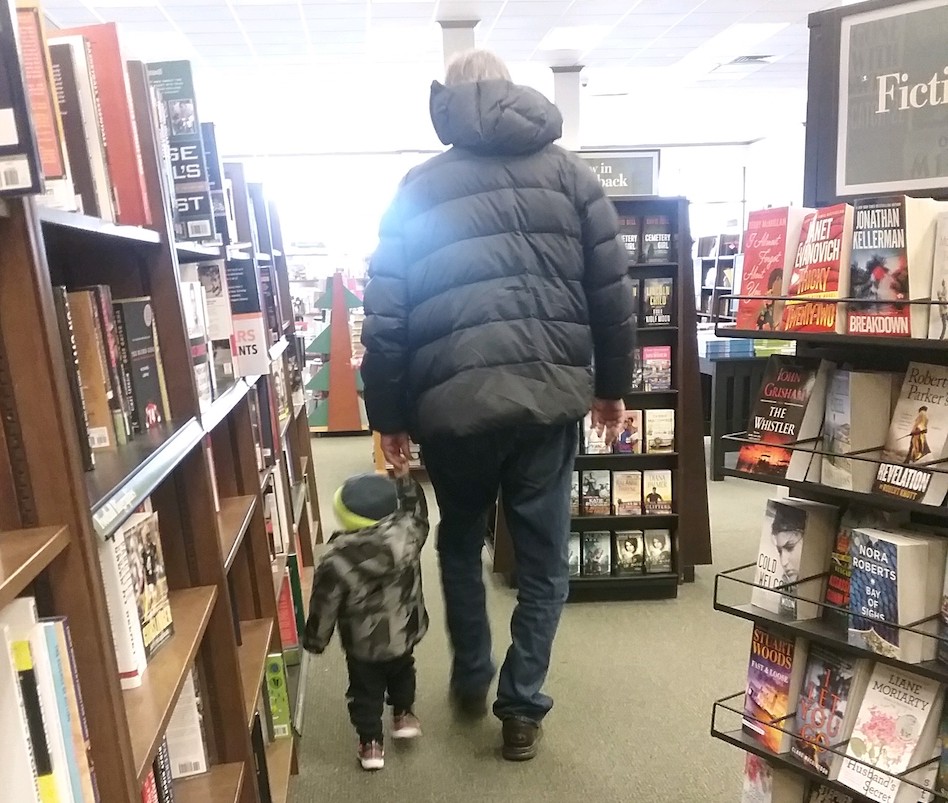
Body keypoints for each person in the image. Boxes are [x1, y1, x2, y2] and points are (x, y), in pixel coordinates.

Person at [361, 49, 635, 761]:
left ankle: (473, 668)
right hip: (548, 406)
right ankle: (521, 706)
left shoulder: (417, 188)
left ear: (447, 102)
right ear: (510, 91)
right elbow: (611, 293)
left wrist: (387, 414)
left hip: (453, 409)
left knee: (459, 535)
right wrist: (611, 387)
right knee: (544, 563)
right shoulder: (571, 177)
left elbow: (386, 316)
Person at [302, 471, 429, 771]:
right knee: (403, 671)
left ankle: (371, 744)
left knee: (364, 691)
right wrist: (406, 482)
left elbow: (325, 604)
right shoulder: (410, 534)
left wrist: (315, 640)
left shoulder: (337, 560)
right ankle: (403, 714)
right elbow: (418, 513)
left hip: (363, 642)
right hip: (403, 630)